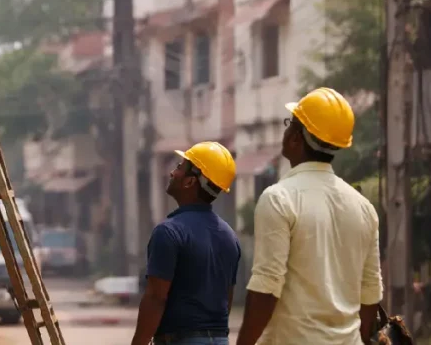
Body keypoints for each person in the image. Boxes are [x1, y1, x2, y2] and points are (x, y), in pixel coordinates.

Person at [236, 87, 383, 345]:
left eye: (290, 124)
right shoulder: (363, 207)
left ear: (295, 139)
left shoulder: (279, 198)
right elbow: (370, 294)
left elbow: (266, 288)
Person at [131, 141, 241, 345]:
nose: (172, 173)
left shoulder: (169, 232)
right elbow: (226, 299)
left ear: (190, 182)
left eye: (179, 167)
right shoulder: (229, 236)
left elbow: (156, 297)